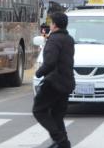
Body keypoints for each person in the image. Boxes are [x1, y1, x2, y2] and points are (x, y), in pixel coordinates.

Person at [32, 12, 75, 148]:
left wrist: (39, 72)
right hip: (66, 82)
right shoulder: (69, 39)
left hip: (53, 82)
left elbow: (50, 62)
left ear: (54, 25)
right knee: (57, 114)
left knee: (39, 110)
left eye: (51, 23)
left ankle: (60, 140)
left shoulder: (54, 39)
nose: (50, 25)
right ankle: (63, 144)